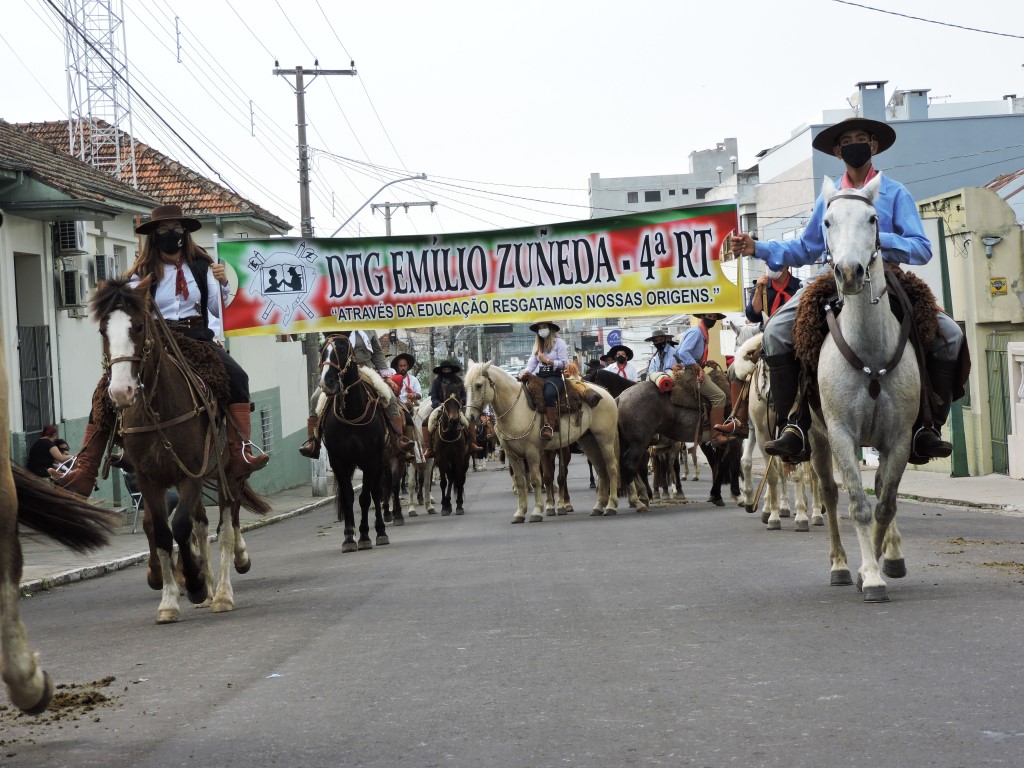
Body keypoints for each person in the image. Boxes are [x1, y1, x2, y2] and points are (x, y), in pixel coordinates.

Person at [729, 116, 964, 463]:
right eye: (847, 140)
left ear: (874, 146)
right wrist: (757, 247)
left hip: (886, 275)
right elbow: (805, 248)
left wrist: (877, 240)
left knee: (951, 336)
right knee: (776, 332)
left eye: (862, 138)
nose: (855, 144)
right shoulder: (829, 199)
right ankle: (793, 424)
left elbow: (922, 247)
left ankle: (927, 428)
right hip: (831, 275)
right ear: (838, 151)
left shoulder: (896, 192)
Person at [50, 204, 268, 496]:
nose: (170, 235)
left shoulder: (203, 267)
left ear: (185, 232)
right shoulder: (138, 275)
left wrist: (223, 283)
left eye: (176, 229)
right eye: (163, 230)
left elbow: (218, 309)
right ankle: (86, 467)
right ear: (154, 235)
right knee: (104, 391)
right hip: (155, 341)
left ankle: (239, 451)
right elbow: (126, 316)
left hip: (196, 339)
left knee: (237, 377)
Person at [713, 264, 803, 442]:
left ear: (785, 265)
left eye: (774, 263)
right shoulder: (763, 287)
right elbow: (753, 315)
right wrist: (758, 290)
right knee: (736, 367)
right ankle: (739, 420)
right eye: (768, 263)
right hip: (766, 335)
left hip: (795, 336)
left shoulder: (799, 286)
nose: (770, 267)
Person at [298, 330, 414, 459]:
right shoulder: (333, 328)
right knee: (315, 399)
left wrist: (386, 377)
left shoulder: (369, 330)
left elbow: (377, 353)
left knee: (389, 397)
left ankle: (397, 440)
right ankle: (314, 443)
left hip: (366, 370)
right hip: (339, 373)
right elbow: (326, 351)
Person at [657, 316, 728, 432]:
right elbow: (683, 352)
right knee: (720, 397)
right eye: (709, 316)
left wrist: (705, 363)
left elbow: (690, 355)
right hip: (691, 373)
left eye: (714, 317)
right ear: (702, 317)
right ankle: (716, 435)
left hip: (691, 370)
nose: (712, 319)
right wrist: (698, 367)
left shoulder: (701, 333)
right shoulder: (697, 333)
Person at [518, 321, 570, 440]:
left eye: (544, 327)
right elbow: (532, 363)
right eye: (540, 328)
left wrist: (546, 360)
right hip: (540, 375)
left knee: (549, 394)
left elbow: (564, 364)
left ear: (550, 329)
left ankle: (550, 425)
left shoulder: (559, 343)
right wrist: (524, 372)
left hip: (554, 376)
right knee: (526, 392)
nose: (542, 330)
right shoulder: (537, 345)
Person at [422, 359, 481, 457]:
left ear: (451, 370)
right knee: (425, 422)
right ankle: (428, 448)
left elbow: (464, 396)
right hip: (441, 406)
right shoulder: (436, 382)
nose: (446, 371)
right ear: (441, 371)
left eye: (448, 369)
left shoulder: (458, 381)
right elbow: (433, 396)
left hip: (457, 407)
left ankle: (472, 443)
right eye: (444, 370)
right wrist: (438, 404)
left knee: (469, 420)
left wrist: (460, 402)